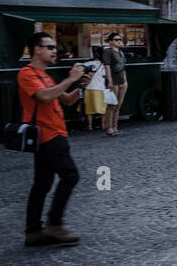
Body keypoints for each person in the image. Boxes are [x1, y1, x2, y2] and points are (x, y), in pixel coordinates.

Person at [19, 31, 88, 246]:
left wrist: (80, 86)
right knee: (70, 176)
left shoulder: (46, 76)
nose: (54, 51)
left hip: (55, 132)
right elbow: (44, 96)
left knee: (42, 184)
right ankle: (54, 224)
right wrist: (71, 78)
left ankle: (33, 231)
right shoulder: (27, 73)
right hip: (48, 135)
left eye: (54, 47)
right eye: (49, 47)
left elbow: (66, 100)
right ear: (37, 50)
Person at [100, 32, 128, 136]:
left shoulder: (121, 53)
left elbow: (123, 67)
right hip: (114, 81)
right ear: (111, 41)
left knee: (118, 106)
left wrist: (125, 81)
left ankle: (115, 127)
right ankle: (109, 128)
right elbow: (107, 66)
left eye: (120, 39)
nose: (119, 41)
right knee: (111, 105)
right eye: (116, 40)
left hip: (122, 81)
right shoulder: (108, 52)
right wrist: (110, 81)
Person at [81, 45, 107, 129]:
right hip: (100, 88)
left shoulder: (87, 64)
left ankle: (90, 126)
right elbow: (105, 77)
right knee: (103, 109)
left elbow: (78, 66)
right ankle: (103, 125)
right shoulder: (103, 65)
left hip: (89, 88)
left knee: (89, 109)